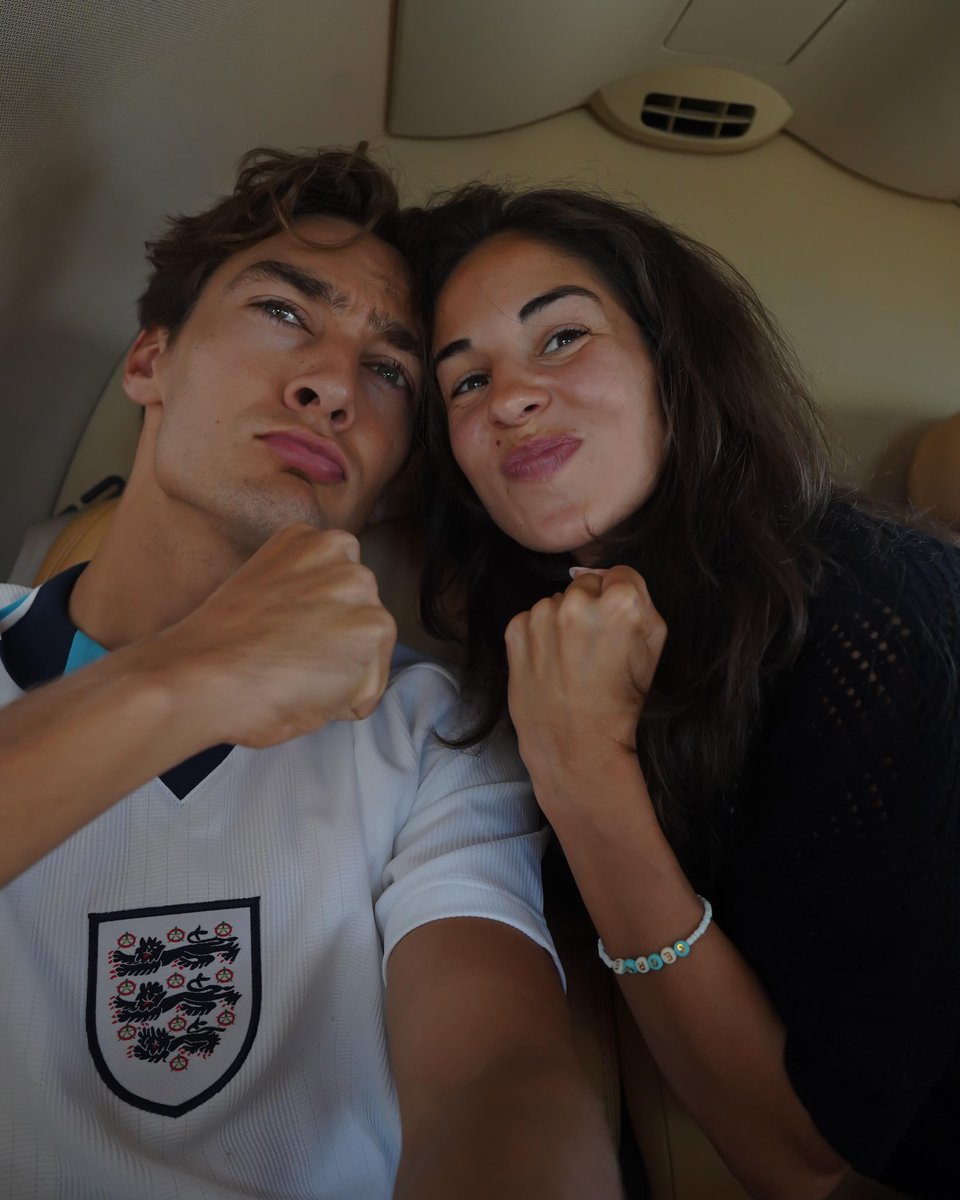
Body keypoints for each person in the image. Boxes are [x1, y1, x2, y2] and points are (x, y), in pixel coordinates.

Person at [0, 150, 623, 1200]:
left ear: (393, 473)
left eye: (390, 372)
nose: (332, 386)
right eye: (285, 313)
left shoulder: (437, 730)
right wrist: (191, 675)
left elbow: (497, 1079)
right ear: (149, 361)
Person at [407, 182, 960, 1200]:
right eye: (466, 381)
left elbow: (802, 1162)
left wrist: (584, 770)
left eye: (561, 338)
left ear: (675, 362)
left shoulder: (881, 623)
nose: (511, 399)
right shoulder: (541, 632)